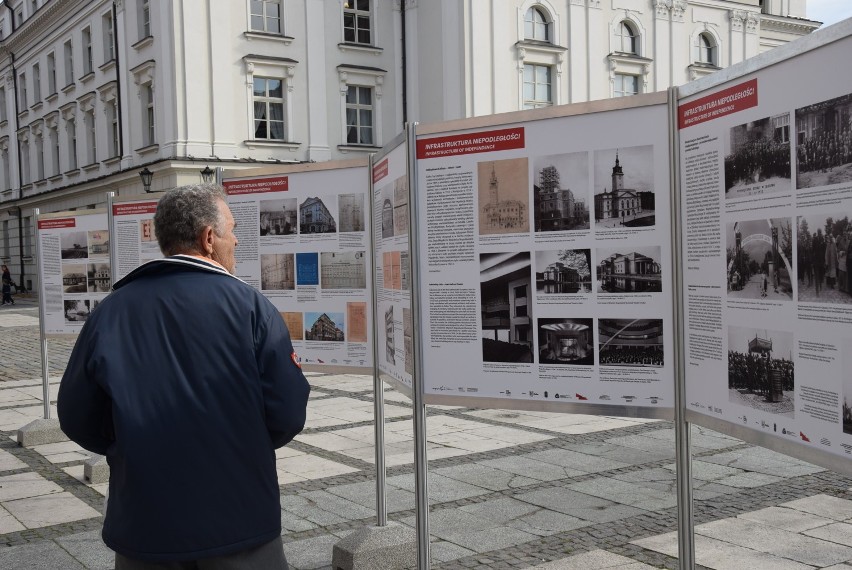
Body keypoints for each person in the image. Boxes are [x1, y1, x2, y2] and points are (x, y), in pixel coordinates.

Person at [57, 184, 310, 569]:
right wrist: (241, 446)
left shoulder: (111, 312)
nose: (238, 240)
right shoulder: (251, 307)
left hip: (146, 524)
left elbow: (76, 415)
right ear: (209, 238)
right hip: (239, 522)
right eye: (233, 229)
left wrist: (133, 445)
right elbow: (288, 412)